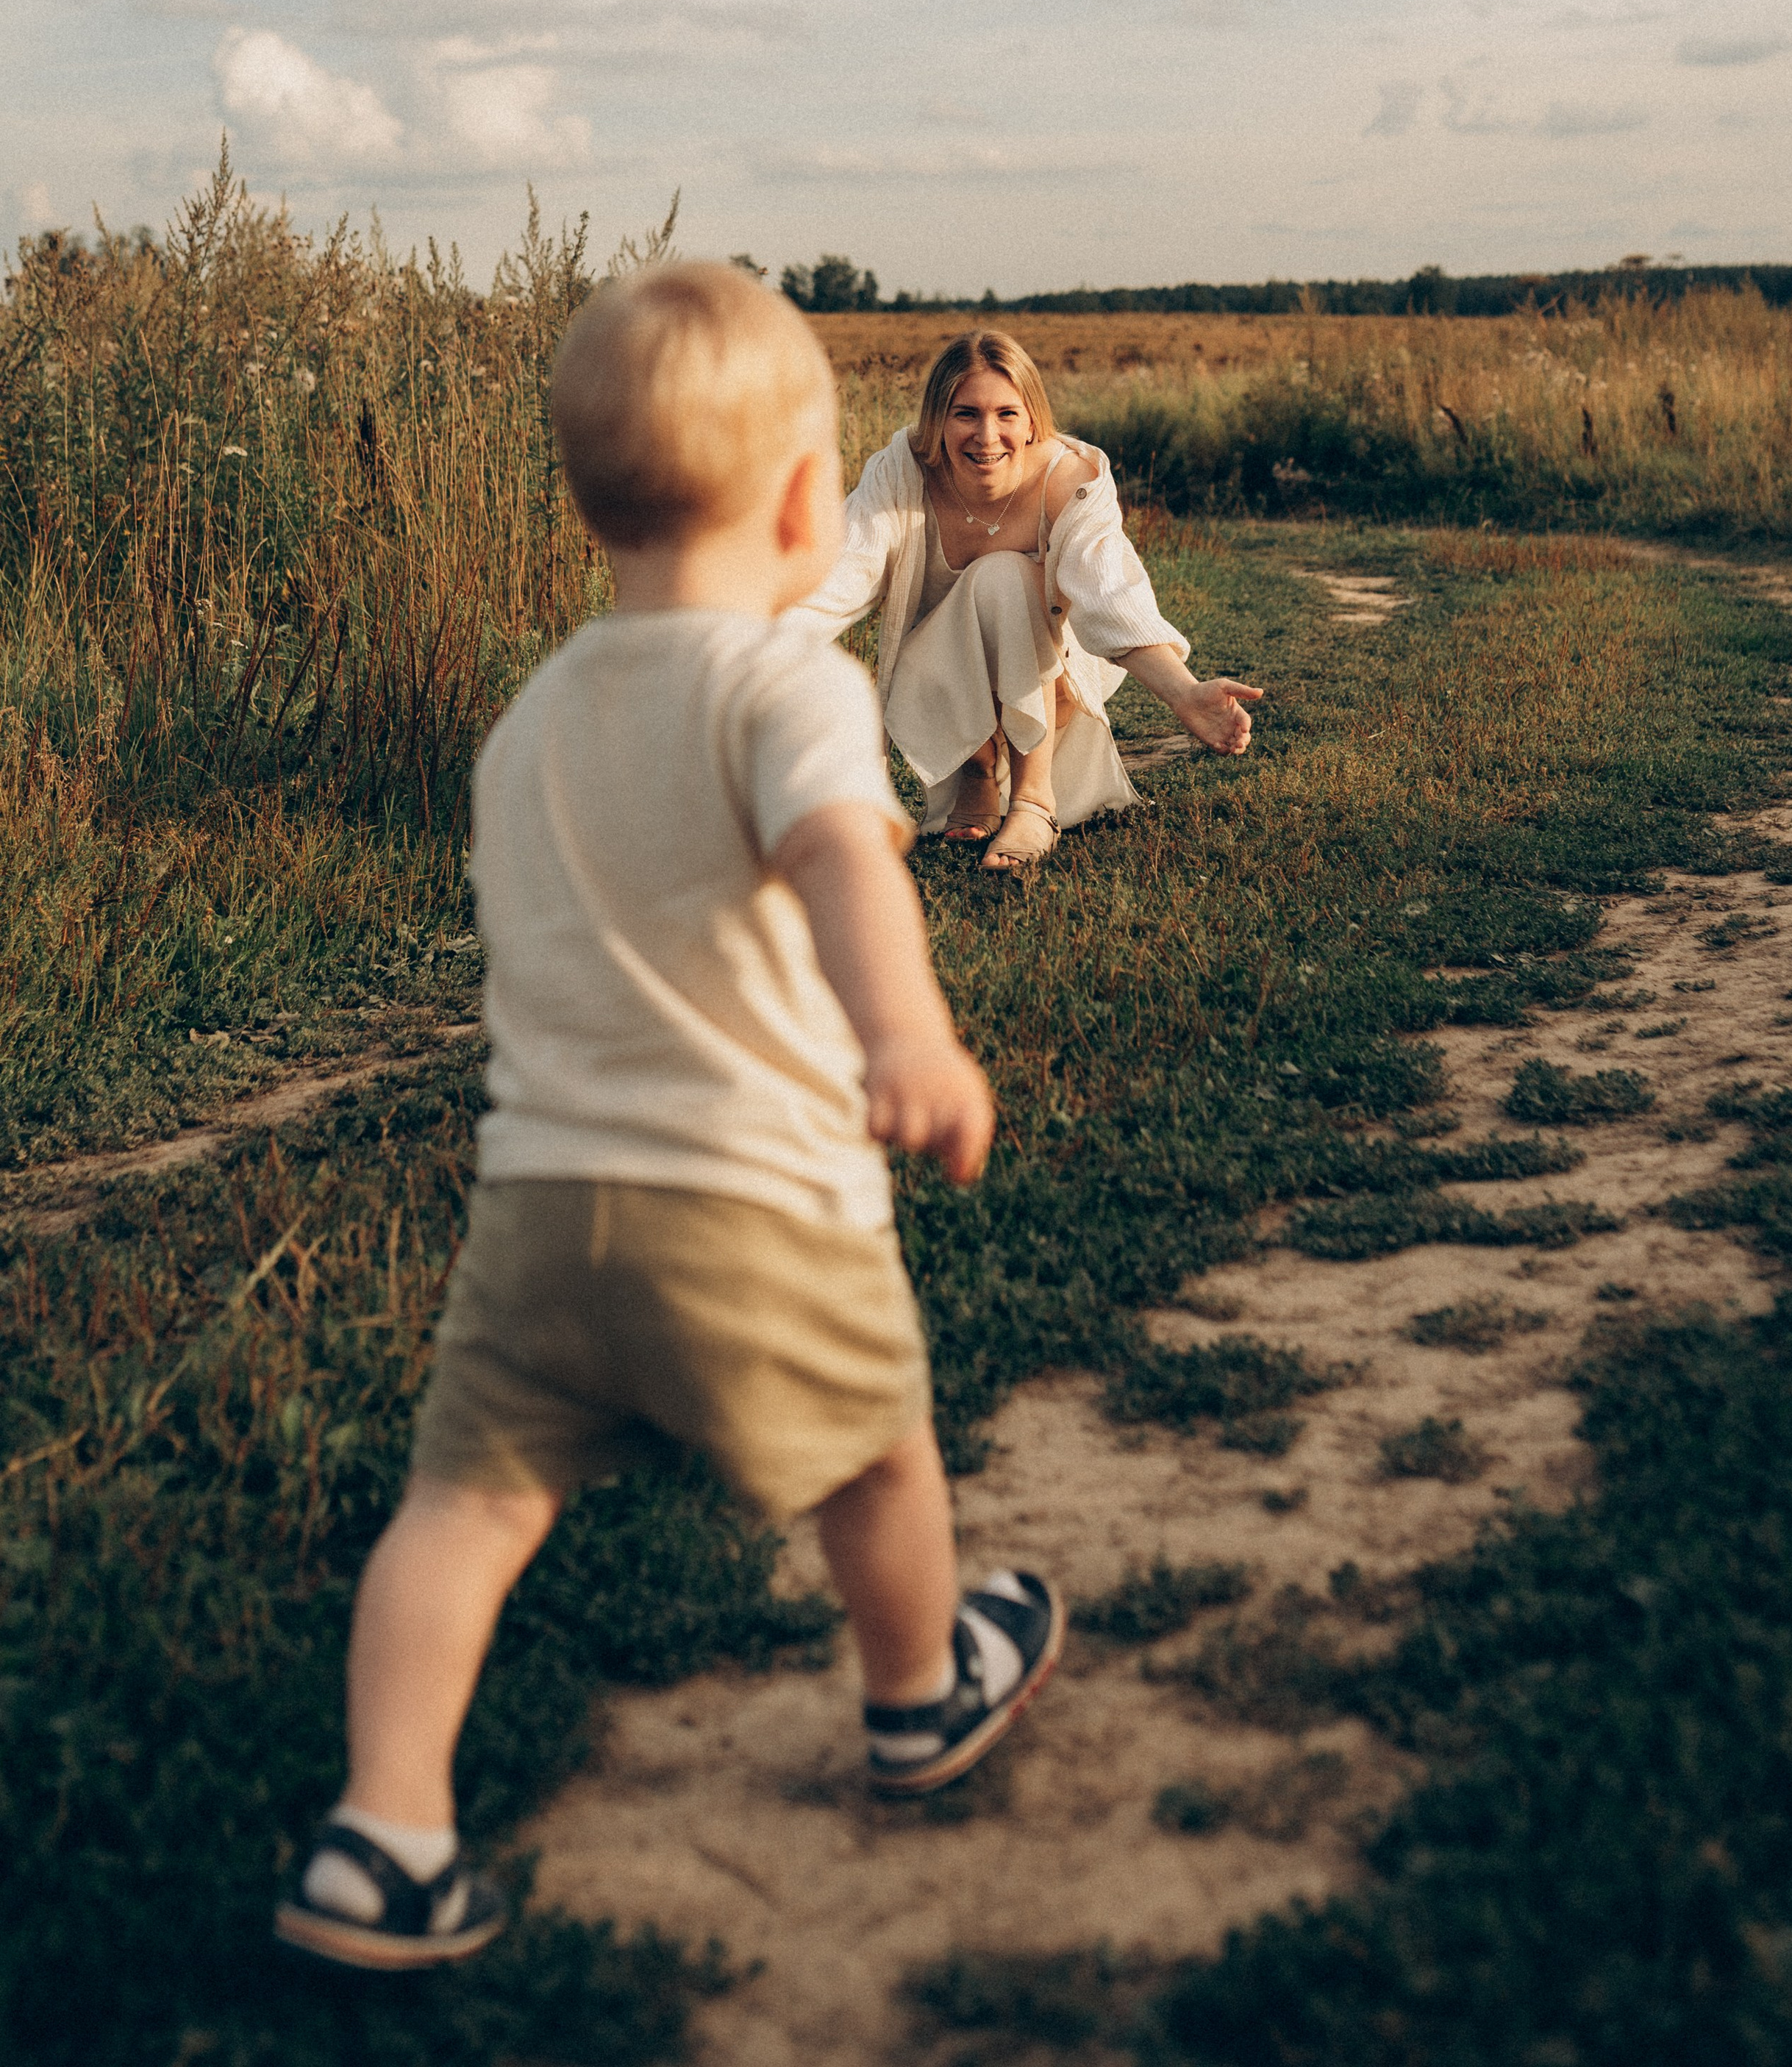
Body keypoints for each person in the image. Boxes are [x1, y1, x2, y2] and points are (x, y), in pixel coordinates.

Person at [274, 265, 1062, 1974]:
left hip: (540, 1205)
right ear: (805, 500)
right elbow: (848, 861)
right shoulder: (786, 686)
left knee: (465, 1507)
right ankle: (919, 1686)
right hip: (751, 1195)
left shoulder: (528, 718)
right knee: (872, 1440)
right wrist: (907, 1040)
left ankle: (383, 1823)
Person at [792, 329, 1262, 870]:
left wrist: (1183, 693)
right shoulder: (903, 473)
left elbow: (1108, 593)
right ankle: (978, 774)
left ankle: (1034, 800)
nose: (987, 436)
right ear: (937, 421)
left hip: (1051, 682)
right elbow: (837, 579)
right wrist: (725, 651)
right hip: (943, 683)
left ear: (1032, 418)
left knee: (1005, 577)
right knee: (992, 582)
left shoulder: (1071, 478)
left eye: (1007, 414)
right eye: (965, 413)